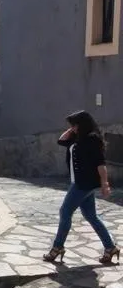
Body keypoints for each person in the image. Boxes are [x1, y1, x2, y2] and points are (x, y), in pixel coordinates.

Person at [44, 110, 119, 264]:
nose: (72, 127)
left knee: (65, 212)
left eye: (74, 124)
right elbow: (61, 141)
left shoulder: (92, 139)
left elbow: (100, 163)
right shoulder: (77, 138)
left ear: (82, 124)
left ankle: (57, 247)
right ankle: (110, 247)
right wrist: (72, 129)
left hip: (83, 183)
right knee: (91, 216)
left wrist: (105, 184)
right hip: (78, 182)